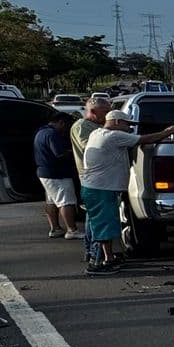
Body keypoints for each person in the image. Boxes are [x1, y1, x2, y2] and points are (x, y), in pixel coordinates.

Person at [80, 109, 174, 275]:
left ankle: (101, 256)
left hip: (94, 187)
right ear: (117, 122)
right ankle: (99, 262)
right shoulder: (114, 136)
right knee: (104, 225)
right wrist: (168, 132)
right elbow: (144, 139)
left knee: (97, 224)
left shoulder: (97, 133)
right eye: (127, 124)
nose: (129, 128)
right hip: (102, 188)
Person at [71, 97, 110, 264]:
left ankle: (91, 251)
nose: (107, 116)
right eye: (105, 112)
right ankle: (95, 253)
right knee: (97, 218)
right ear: (93, 112)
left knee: (92, 216)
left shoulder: (96, 126)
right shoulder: (82, 126)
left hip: (100, 177)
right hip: (92, 178)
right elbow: (91, 148)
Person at [34, 113, 81, 239]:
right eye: (67, 126)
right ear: (61, 122)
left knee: (52, 201)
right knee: (66, 201)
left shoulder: (41, 132)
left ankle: (55, 228)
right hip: (57, 173)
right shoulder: (52, 134)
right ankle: (72, 230)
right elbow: (59, 153)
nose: (66, 130)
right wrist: (74, 152)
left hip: (45, 172)